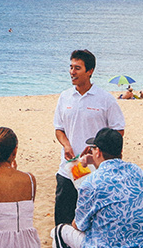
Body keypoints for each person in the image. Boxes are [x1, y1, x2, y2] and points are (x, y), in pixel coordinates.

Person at [51, 128, 143, 248]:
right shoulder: (137, 172)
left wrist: (82, 168)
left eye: (93, 149)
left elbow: (79, 225)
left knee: (58, 232)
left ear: (97, 151)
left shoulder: (91, 182)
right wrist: (93, 161)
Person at [53, 49, 125, 227]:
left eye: (77, 68)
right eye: (71, 67)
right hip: (68, 168)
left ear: (90, 71)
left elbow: (118, 131)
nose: (72, 72)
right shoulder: (65, 97)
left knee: (90, 220)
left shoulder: (105, 99)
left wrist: (96, 147)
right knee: (62, 220)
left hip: (95, 170)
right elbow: (59, 129)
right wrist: (67, 145)